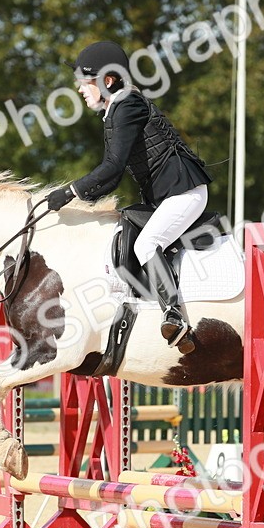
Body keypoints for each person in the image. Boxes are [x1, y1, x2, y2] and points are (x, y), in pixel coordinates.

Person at [47, 41, 212, 355]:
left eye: (84, 82)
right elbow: (111, 178)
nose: (80, 89)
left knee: (146, 244)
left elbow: (112, 167)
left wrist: (69, 192)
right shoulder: (116, 108)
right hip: (166, 197)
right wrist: (77, 198)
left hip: (185, 192)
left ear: (107, 81)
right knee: (121, 230)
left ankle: (173, 315)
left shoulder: (128, 105)